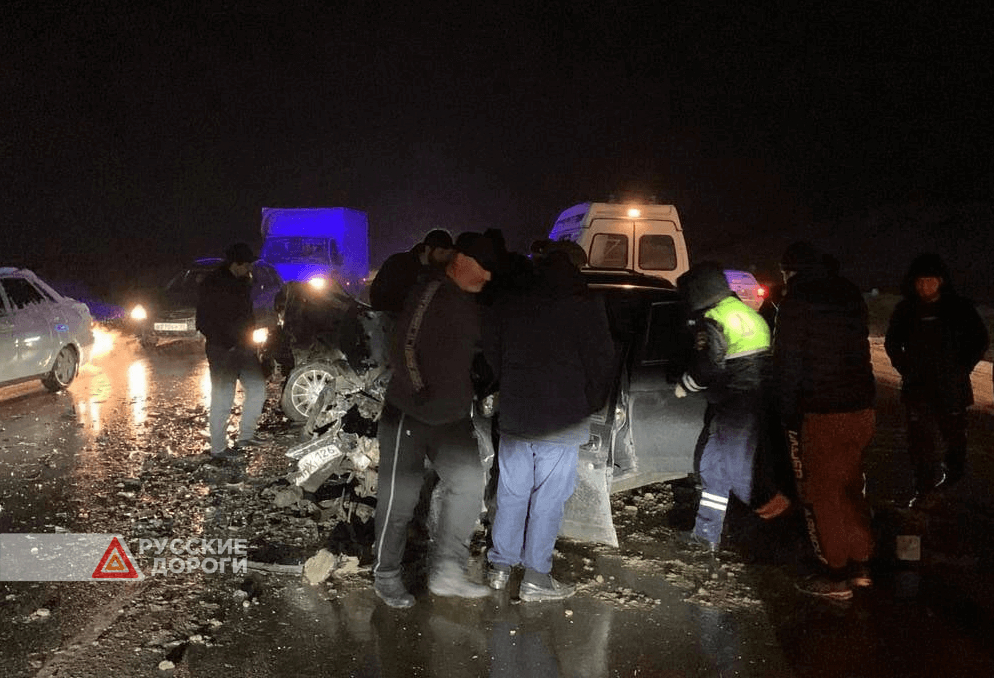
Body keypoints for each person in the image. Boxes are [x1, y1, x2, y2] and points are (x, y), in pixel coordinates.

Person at [371, 231, 497, 608]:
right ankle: (386, 574)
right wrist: (418, 387)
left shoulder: (474, 302)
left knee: (470, 482)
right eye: (483, 268)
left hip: (452, 417)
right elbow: (403, 344)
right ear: (460, 261)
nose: (487, 277)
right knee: (400, 499)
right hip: (409, 413)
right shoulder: (430, 291)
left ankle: (447, 571)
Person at [482, 240, 614, 601]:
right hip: (562, 417)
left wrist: (509, 384)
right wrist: (588, 405)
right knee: (548, 500)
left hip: (517, 416)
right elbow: (602, 364)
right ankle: (536, 578)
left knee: (511, 493)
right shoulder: (585, 305)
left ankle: (499, 568)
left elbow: (492, 349)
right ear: (575, 268)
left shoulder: (514, 302)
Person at [773, 241, 876, 600]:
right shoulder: (848, 293)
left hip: (822, 411)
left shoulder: (796, 301)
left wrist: (786, 412)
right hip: (862, 408)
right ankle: (861, 563)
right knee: (850, 486)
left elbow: (787, 364)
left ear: (790, 271)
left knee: (822, 494)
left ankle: (835, 574)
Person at [673, 262, 771, 551]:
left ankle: (777, 530)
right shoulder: (743, 311)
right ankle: (705, 536)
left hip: (737, 404)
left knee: (742, 476)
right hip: (745, 401)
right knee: (713, 467)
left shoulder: (713, 319)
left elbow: (709, 367)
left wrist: (684, 385)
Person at [884, 253, 989, 507]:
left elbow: (979, 340)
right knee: (920, 443)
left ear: (940, 281)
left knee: (955, 440)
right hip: (917, 389)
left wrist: (962, 368)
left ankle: (952, 485)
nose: (923, 286)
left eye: (929, 280)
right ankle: (924, 491)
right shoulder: (906, 309)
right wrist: (905, 368)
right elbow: (892, 343)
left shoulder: (959, 308)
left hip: (952, 389)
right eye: (919, 281)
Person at [195, 242, 269, 460]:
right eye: (247, 265)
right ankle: (218, 449)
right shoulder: (213, 284)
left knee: (257, 389)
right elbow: (203, 321)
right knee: (223, 398)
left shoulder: (243, 282)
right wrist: (227, 342)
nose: (250, 269)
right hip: (223, 350)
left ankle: (246, 436)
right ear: (236, 264)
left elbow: (245, 316)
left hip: (244, 349)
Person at [369, 229, 454, 316]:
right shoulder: (398, 264)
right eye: (441, 252)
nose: (444, 257)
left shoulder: (442, 272)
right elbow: (379, 297)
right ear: (428, 249)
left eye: (448, 254)